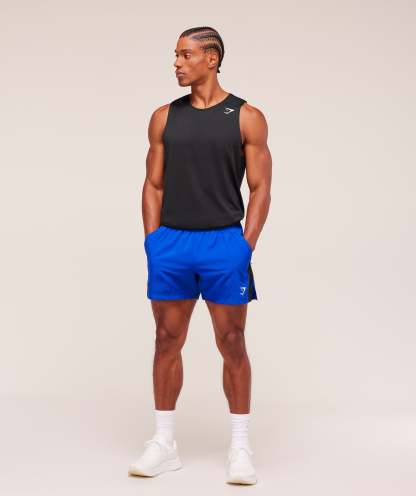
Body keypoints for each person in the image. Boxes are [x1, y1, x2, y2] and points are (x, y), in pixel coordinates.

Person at [128, 26, 272, 485]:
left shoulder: (246, 116)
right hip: (172, 243)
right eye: (175, 55)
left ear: (211, 58)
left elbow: (261, 188)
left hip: (223, 244)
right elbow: (153, 185)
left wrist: (245, 244)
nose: (176, 63)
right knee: (165, 340)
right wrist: (153, 241)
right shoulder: (163, 117)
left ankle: (240, 446)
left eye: (185, 55)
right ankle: (164, 444)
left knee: (232, 342)